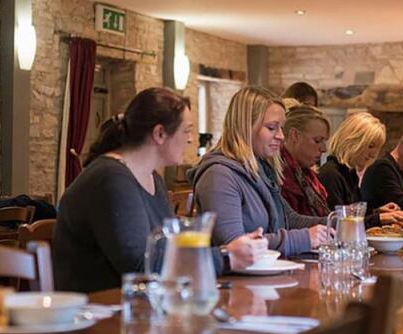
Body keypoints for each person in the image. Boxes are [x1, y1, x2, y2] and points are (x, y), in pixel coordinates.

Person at [53, 87, 267, 293]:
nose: (191, 139)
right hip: (101, 315)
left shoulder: (153, 177)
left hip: (141, 308)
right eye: (187, 131)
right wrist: (226, 257)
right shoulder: (111, 178)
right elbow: (142, 264)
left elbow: (166, 247)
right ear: (160, 133)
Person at [187, 86, 330, 257]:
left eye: (281, 128)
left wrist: (336, 223)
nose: (281, 136)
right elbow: (235, 247)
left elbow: (289, 219)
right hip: (237, 282)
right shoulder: (218, 175)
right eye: (272, 128)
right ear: (246, 126)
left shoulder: (261, 168)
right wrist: (303, 238)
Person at [317, 112, 403, 228]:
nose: (373, 154)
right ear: (353, 141)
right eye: (371, 146)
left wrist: (377, 212)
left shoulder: (349, 173)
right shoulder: (331, 174)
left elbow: (352, 214)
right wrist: (378, 218)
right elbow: (339, 224)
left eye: (377, 148)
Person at [280, 100, 332, 217]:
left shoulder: (306, 175)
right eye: (317, 141)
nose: (324, 149)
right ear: (295, 135)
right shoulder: (279, 175)